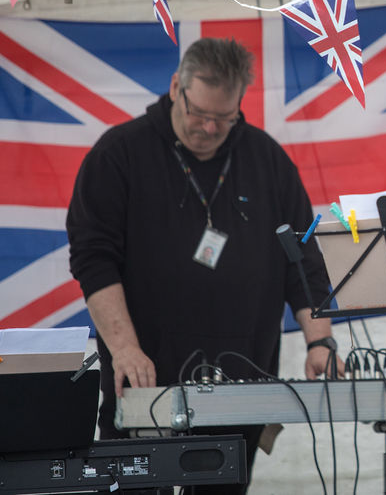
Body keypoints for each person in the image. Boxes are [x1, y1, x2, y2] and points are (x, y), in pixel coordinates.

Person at [67, 37, 339, 494]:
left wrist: (321, 341)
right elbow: (94, 261)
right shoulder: (119, 154)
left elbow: (304, 261)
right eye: (200, 114)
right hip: (143, 381)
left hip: (242, 387)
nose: (210, 129)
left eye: (225, 119)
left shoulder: (267, 159)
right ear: (177, 87)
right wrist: (126, 350)